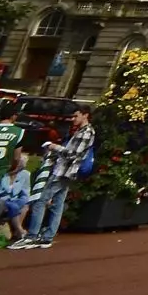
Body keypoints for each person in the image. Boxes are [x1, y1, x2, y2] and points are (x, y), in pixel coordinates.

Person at [15, 106, 92, 251]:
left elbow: (73, 154)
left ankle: (32, 236)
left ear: (85, 115)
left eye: (76, 116)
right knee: (57, 204)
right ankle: (47, 237)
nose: (73, 119)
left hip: (63, 172)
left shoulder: (86, 132)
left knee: (40, 201)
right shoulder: (81, 131)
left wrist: (54, 147)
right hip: (66, 172)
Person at [1, 146, 39, 248]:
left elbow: (26, 192)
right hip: (1, 199)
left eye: (20, 166)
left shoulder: (25, 174)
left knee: (24, 205)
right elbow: (0, 192)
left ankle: (17, 234)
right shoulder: (2, 174)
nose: (18, 167)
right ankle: (20, 231)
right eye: (17, 165)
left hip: (15, 200)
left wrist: (23, 201)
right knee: (14, 206)